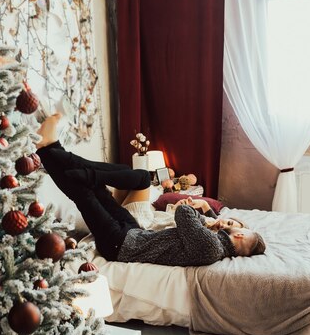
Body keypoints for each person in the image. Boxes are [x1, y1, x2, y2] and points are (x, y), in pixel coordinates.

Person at [35, 114, 266, 266]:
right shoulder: (214, 241)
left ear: (240, 237)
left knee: (84, 193)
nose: (232, 226)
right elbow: (199, 222)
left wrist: (200, 212)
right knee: (97, 187)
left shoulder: (211, 248)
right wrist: (209, 213)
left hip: (120, 245)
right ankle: (52, 149)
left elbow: (183, 215)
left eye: (240, 230)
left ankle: (48, 150)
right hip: (134, 232)